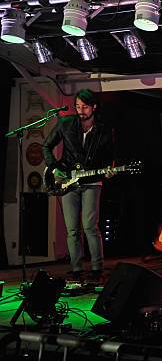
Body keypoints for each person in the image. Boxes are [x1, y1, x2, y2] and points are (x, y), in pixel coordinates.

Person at [43, 89, 115, 280]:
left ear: (94, 107)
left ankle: (96, 268)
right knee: (72, 229)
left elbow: (110, 157)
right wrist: (53, 168)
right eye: (77, 106)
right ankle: (76, 269)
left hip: (92, 180)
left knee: (90, 226)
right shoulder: (65, 123)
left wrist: (109, 170)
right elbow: (46, 146)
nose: (80, 110)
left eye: (84, 107)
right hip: (68, 180)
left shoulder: (104, 129)